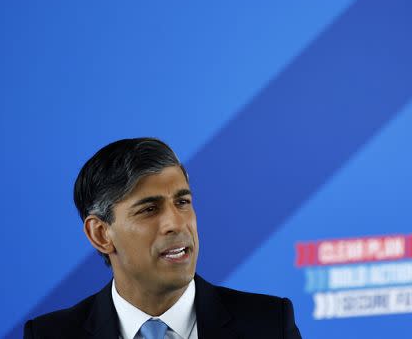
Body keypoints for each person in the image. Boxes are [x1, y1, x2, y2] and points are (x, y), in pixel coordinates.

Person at [24, 137, 302, 339]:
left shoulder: (269, 324)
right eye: (149, 209)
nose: (176, 223)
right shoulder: (49, 335)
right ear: (101, 234)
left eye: (182, 202)